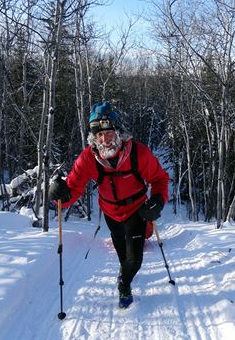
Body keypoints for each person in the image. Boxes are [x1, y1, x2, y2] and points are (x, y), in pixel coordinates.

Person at [49, 101, 169, 309]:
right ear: (93, 137)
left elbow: (160, 179)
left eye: (109, 132)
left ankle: (124, 285)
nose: (105, 139)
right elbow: (72, 189)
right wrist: (58, 194)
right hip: (111, 213)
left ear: (118, 131)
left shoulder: (138, 153)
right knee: (123, 254)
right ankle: (125, 277)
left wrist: (157, 201)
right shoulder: (88, 158)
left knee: (135, 258)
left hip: (136, 211)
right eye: (99, 134)